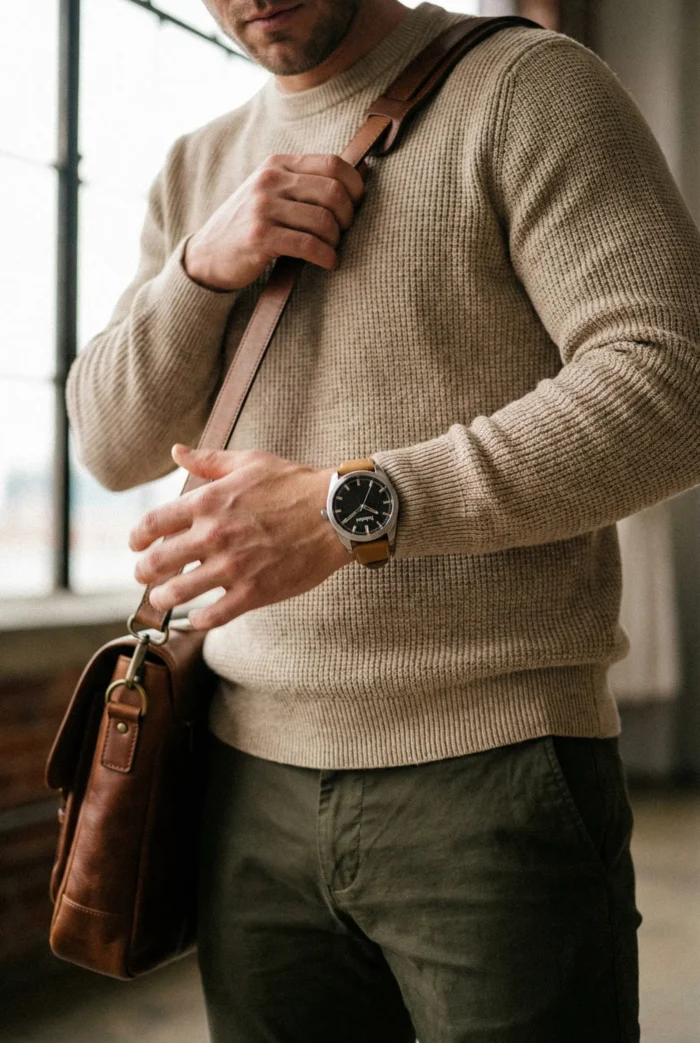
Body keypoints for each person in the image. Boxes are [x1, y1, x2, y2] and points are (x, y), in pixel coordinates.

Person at [66, 1, 700, 1039]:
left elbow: (671, 386)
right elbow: (108, 439)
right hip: (241, 788)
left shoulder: (529, 89)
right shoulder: (199, 165)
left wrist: (347, 508)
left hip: (494, 779)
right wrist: (199, 269)